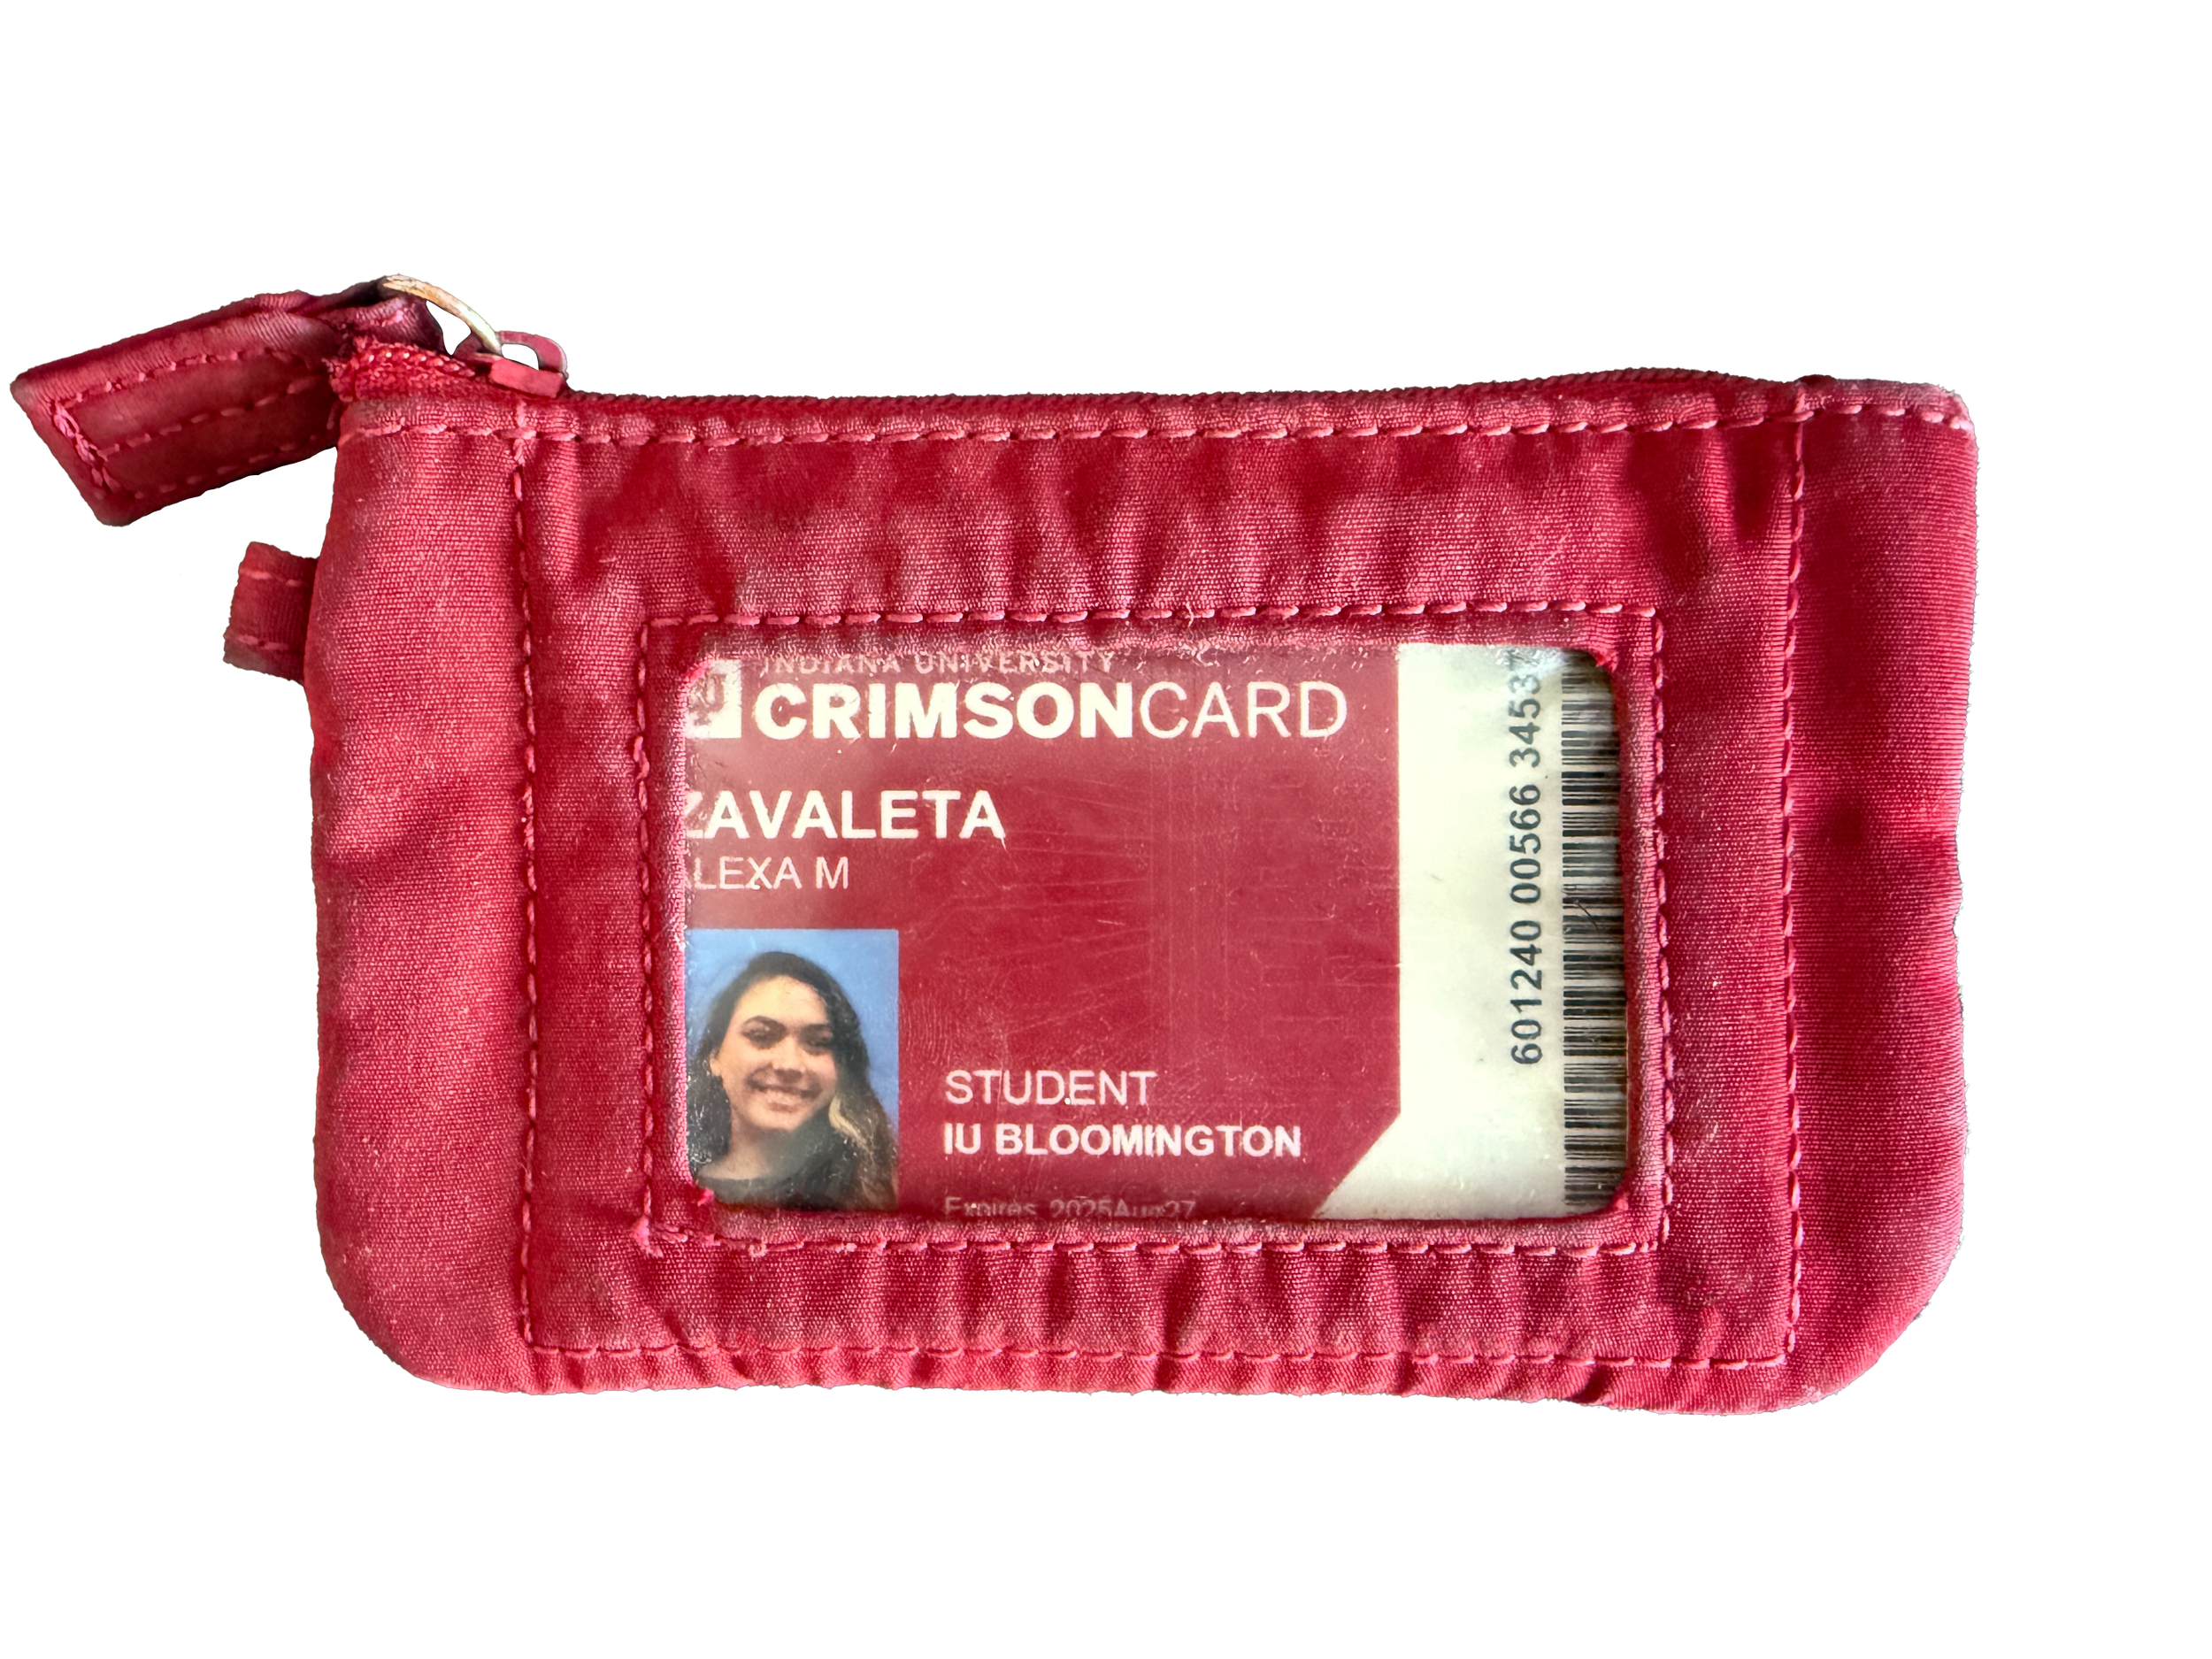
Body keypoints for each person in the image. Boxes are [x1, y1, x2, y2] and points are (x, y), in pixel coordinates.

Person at [687, 950, 897, 1210]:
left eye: (818, 1043)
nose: (789, 1065)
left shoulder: (881, 1191)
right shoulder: (673, 1191)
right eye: (762, 1036)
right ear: (715, 1056)